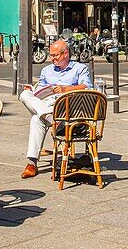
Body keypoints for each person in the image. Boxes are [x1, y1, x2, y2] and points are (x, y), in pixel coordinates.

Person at [18, 38, 92, 179]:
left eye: (55, 55)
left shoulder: (79, 68)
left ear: (65, 53)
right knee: (24, 94)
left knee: (36, 119)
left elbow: (87, 86)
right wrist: (33, 91)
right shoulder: (47, 70)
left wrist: (66, 89)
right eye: (51, 55)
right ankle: (52, 120)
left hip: (68, 107)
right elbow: (41, 88)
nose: (52, 59)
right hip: (47, 104)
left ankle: (32, 163)